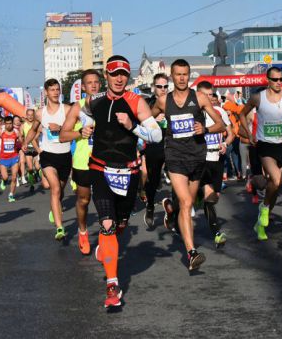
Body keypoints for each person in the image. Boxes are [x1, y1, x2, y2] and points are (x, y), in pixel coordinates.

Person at [82, 55, 162, 307]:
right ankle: (112, 285)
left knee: (119, 225)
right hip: (100, 169)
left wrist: (133, 126)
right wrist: (81, 130)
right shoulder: (92, 102)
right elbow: (79, 117)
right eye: (114, 73)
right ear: (106, 75)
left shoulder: (135, 101)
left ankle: (106, 249)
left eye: (124, 74)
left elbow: (157, 136)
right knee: (106, 223)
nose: (119, 78)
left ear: (128, 77)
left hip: (128, 172)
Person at [152, 58, 225, 271]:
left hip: (197, 157)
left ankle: (169, 208)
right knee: (186, 202)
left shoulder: (200, 97)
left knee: (188, 203)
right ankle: (192, 252)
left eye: (185, 74)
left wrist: (206, 129)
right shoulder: (164, 101)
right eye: (178, 74)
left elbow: (220, 124)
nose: (182, 78)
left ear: (189, 75)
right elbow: (147, 118)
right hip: (174, 157)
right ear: (172, 76)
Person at [240, 67, 282, 241]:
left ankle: (260, 224)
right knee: (277, 179)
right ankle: (264, 208)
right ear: (268, 80)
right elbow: (241, 114)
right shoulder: (258, 97)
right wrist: (249, 135)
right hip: (265, 146)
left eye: (281, 79)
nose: (278, 82)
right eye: (275, 79)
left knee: (275, 187)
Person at [22, 79, 72, 240]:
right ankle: (59, 228)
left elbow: (77, 128)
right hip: (48, 155)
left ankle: (55, 207)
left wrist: (61, 129)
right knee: (55, 188)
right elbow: (33, 130)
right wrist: (25, 142)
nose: (56, 92)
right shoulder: (40, 113)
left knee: (60, 191)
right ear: (46, 92)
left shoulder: (67, 110)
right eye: (52, 90)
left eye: (58, 89)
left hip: (64, 155)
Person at [60, 69, 102, 254]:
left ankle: (105, 238)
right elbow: (62, 135)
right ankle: (83, 231)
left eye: (96, 82)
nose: (93, 85)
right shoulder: (77, 107)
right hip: (83, 161)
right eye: (89, 83)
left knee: (105, 202)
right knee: (84, 200)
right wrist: (80, 133)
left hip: (105, 160)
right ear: (83, 87)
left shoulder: (109, 105)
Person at [196, 80, 234, 247]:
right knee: (210, 197)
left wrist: (225, 144)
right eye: (206, 95)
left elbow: (231, 133)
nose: (210, 98)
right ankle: (216, 232)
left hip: (217, 159)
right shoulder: (194, 113)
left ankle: (198, 198)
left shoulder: (219, 111)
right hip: (200, 159)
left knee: (214, 197)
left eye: (211, 95)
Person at [142, 73, 169, 229]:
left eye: (165, 86)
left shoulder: (173, 102)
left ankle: (175, 210)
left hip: (171, 145)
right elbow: (138, 122)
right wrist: (152, 119)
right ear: (154, 87)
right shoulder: (148, 103)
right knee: (152, 180)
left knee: (177, 177)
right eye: (159, 86)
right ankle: (150, 206)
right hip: (154, 146)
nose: (163, 89)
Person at [0, 116, 22, 203]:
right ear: (5, 124)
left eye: (10, 123)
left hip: (14, 157)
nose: (8, 125)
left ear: (12, 123)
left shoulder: (16, 132)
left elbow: (21, 141)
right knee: (5, 177)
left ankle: (11, 194)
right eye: (7, 124)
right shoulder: (1, 132)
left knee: (14, 177)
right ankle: (4, 181)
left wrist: (21, 144)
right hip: (3, 158)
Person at [22, 109, 41, 192]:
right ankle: (32, 184)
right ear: (26, 115)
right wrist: (23, 142)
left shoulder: (37, 124)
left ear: (34, 115)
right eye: (28, 115)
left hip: (36, 147)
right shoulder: (23, 125)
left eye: (31, 115)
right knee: (30, 168)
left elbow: (39, 133)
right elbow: (20, 136)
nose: (30, 116)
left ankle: (37, 173)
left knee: (37, 167)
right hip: (28, 148)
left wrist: (34, 138)